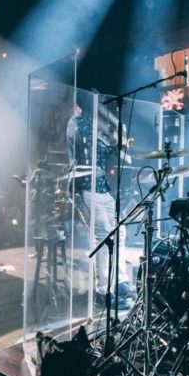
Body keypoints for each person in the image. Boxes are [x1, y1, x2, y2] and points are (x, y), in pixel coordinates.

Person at [66, 103, 118, 299]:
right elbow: (87, 142)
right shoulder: (78, 123)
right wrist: (108, 134)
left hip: (104, 189)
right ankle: (103, 289)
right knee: (104, 236)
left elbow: (106, 151)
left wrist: (115, 140)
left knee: (116, 234)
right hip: (87, 187)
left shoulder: (96, 125)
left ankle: (116, 281)